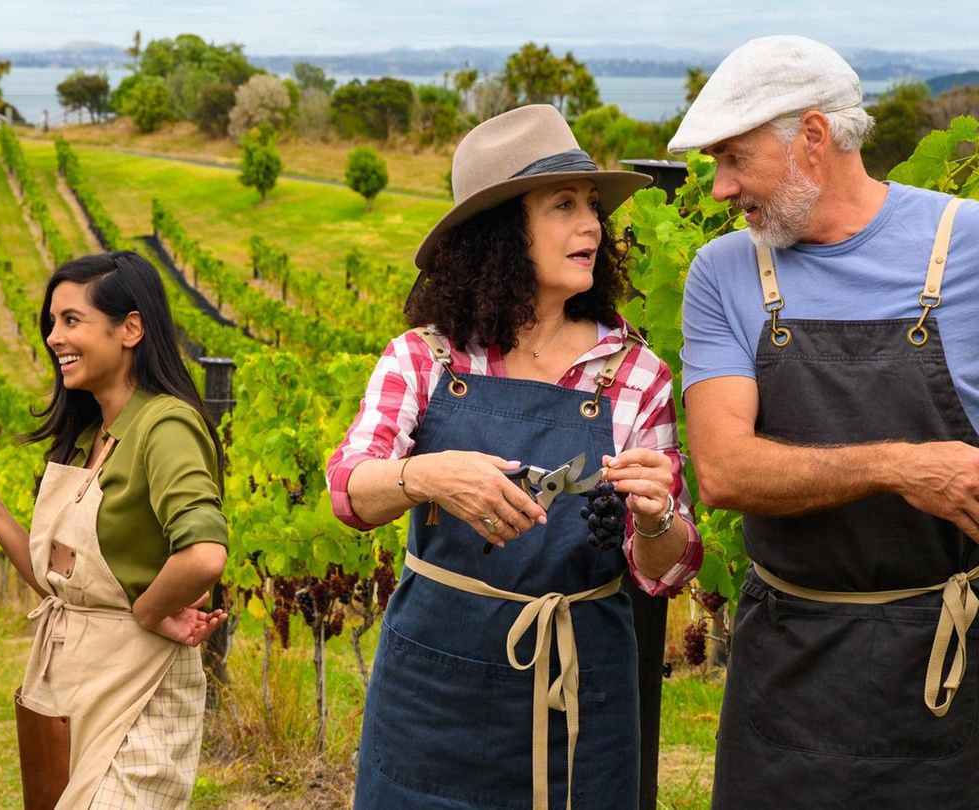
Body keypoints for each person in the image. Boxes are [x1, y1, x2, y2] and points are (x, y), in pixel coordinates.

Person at [328, 104, 703, 810]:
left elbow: (666, 570)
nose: (591, 225)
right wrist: (423, 475)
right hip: (430, 703)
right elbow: (349, 490)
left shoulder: (633, 373)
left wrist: (656, 521)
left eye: (591, 206)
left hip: (579, 701)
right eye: (563, 206)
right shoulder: (427, 359)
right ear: (501, 235)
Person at [673, 35, 979, 809]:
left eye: (734, 160)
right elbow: (725, 470)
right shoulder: (726, 274)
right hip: (791, 668)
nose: (718, 189)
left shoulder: (967, 246)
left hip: (955, 660)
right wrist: (900, 468)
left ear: (812, 137)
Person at [0, 251, 228, 809]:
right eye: (52, 322)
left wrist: (149, 611)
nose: (54, 337)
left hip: (138, 689)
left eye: (70, 320)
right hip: (68, 680)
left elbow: (203, 555)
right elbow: (61, 586)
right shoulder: (89, 435)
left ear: (130, 328)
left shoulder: (164, 425)